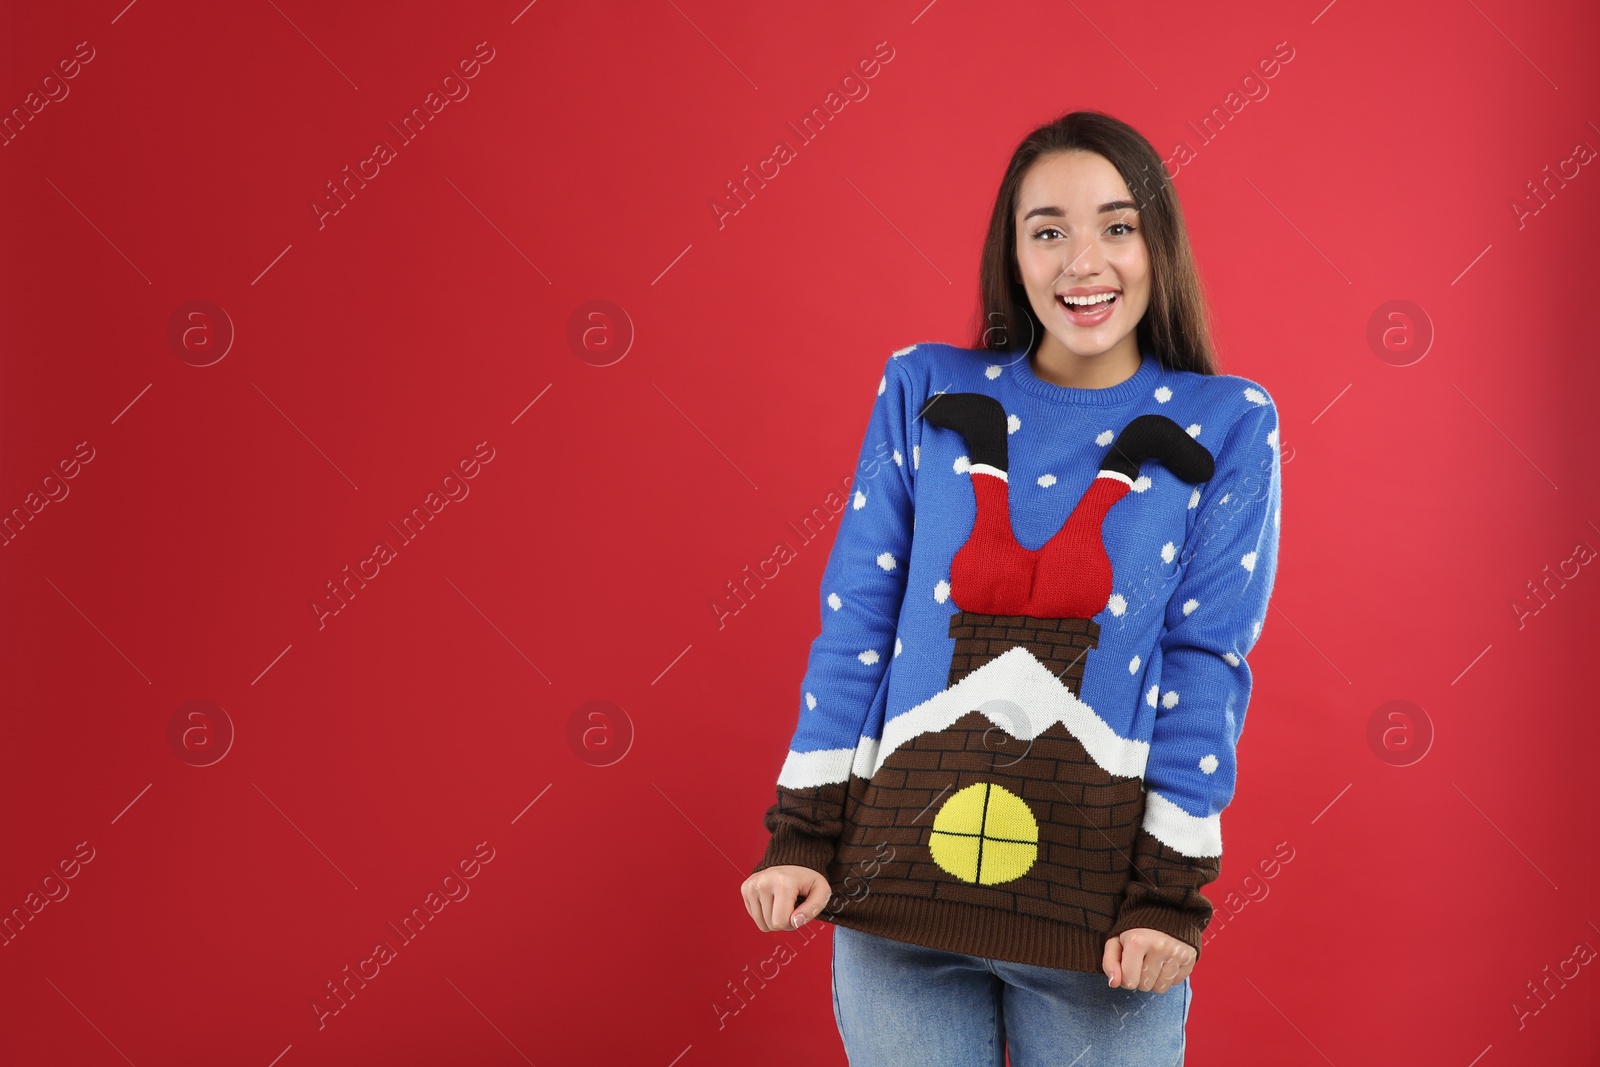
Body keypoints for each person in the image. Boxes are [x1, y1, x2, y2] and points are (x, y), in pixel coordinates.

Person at [739, 109, 1283, 1066]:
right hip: (896, 900)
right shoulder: (927, 389)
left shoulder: (1228, 421)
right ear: (1014, 252)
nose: (1085, 262)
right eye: (1049, 231)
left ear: (1159, 245)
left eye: (1118, 226)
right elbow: (859, 617)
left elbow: (1206, 661)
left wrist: (1168, 893)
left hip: (1105, 926)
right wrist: (800, 832)